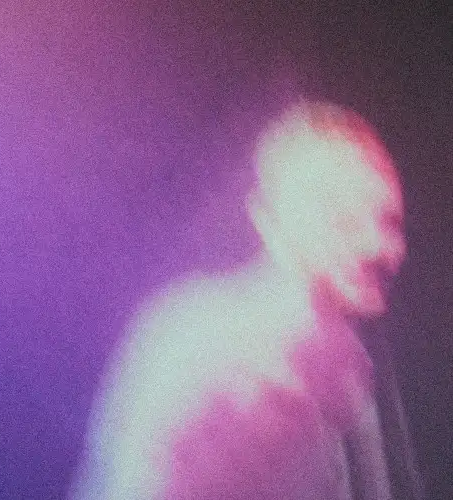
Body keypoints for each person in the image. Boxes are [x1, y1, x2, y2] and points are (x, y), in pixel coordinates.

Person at [70, 100, 411, 499]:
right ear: (269, 219)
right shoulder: (196, 341)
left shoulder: (346, 369)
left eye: (389, 222)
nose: (378, 246)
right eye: (343, 218)